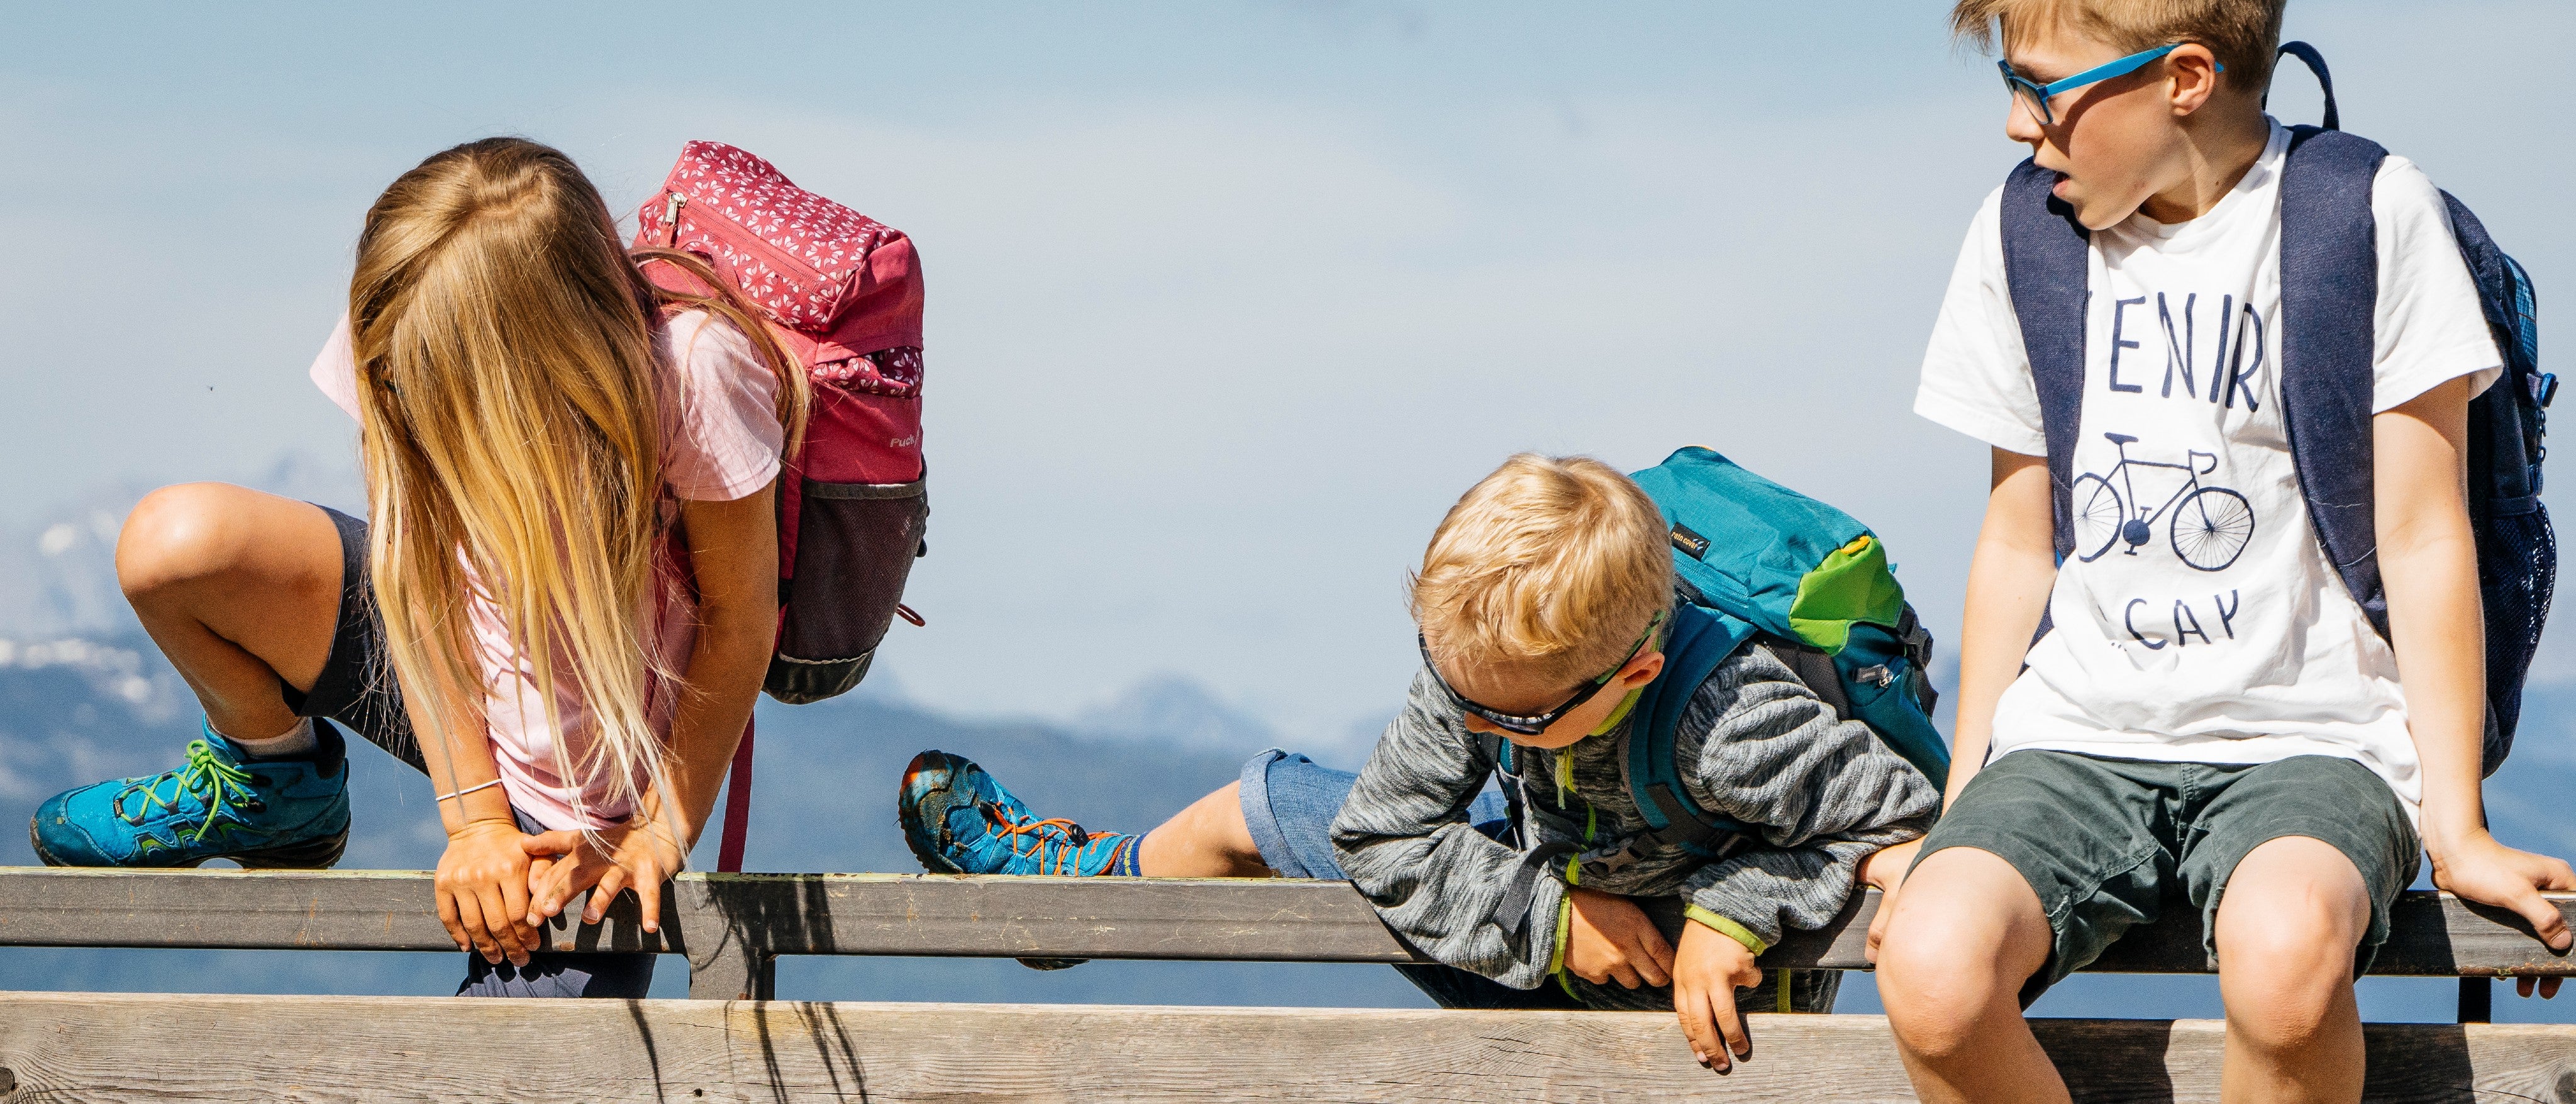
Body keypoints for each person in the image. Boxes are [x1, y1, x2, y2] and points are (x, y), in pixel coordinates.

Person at [1878, 3, 2576, 1101]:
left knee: (2288, 960)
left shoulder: (2365, 213)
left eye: (2042, 89)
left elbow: (2423, 535)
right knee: (1929, 969)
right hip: (2075, 732)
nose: (2020, 128)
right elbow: (2020, 540)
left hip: (2317, 737)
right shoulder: (2025, 236)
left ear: (2186, 77)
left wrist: (2459, 823)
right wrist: (1962, 795)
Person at [28, 137, 806, 999]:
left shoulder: (694, 374)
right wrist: (472, 822)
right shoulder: (404, 326)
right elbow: (417, 580)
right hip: (451, 658)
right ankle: (278, 785)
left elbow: (741, 618)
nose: (400, 396)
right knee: (175, 546)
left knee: (509, 1077)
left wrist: (656, 830)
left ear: (534, 351)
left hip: (588, 770)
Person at [897, 454, 1938, 1071]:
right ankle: (1077, 902)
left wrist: (1732, 912)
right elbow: (1384, 832)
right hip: (1555, 929)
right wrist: (1551, 917)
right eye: (1456, 689)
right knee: (1262, 803)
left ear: (1635, 672)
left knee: (1282, 804)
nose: (1477, 723)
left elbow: (1906, 820)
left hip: (1705, 1010)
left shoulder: (1728, 719)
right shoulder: (1486, 668)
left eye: (1511, 720)